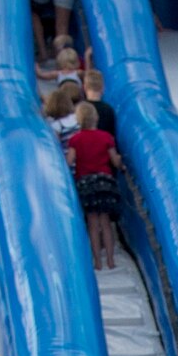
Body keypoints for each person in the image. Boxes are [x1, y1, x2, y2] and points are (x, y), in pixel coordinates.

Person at [65, 101, 124, 271]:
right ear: (96, 118)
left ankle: (97, 261)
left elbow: (69, 161)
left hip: (86, 182)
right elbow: (114, 160)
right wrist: (121, 164)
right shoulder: (106, 137)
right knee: (105, 222)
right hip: (104, 181)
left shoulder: (75, 139)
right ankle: (111, 260)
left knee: (92, 223)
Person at [82, 67, 117, 140]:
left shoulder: (80, 108)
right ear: (102, 88)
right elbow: (111, 135)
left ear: (85, 87)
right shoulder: (108, 110)